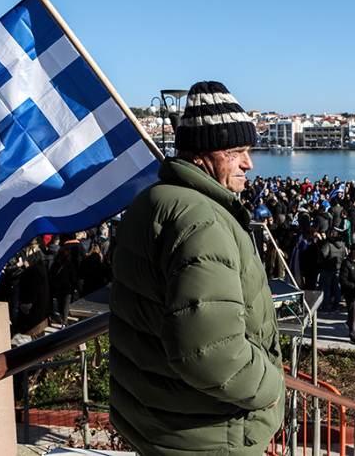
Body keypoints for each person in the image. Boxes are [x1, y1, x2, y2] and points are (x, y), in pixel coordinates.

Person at [109, 81, 285, 455]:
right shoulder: (202, 222)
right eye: (236, 151)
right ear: (200, 154)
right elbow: (210, 351)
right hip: (209, 433)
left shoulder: (149, 200)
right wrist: (270, 388)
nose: (248, 163)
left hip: (158, 419)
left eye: (248, 150)